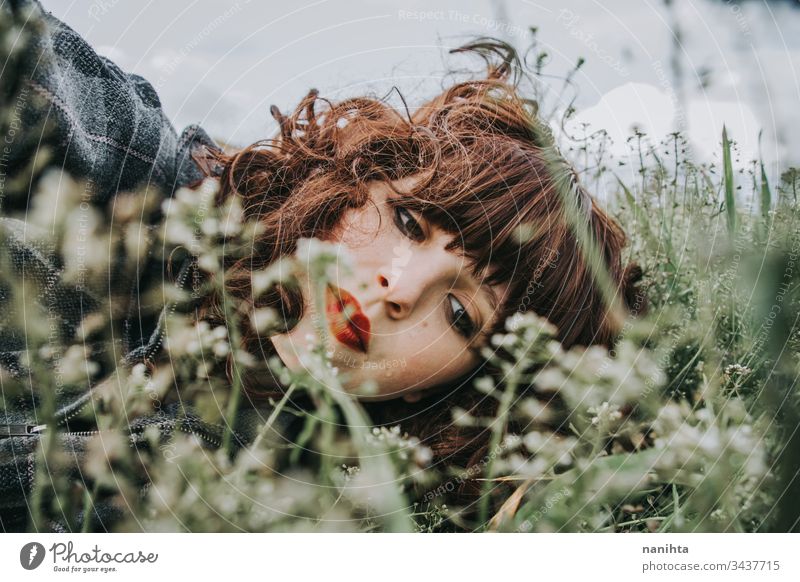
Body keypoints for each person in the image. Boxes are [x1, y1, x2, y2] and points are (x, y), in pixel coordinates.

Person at [0, 0, 644, 532]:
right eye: (410, 222)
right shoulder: (130, 161)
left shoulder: (292, 516)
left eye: (459, 313)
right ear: (352, 182)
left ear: (443, 391)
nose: (400, 289)